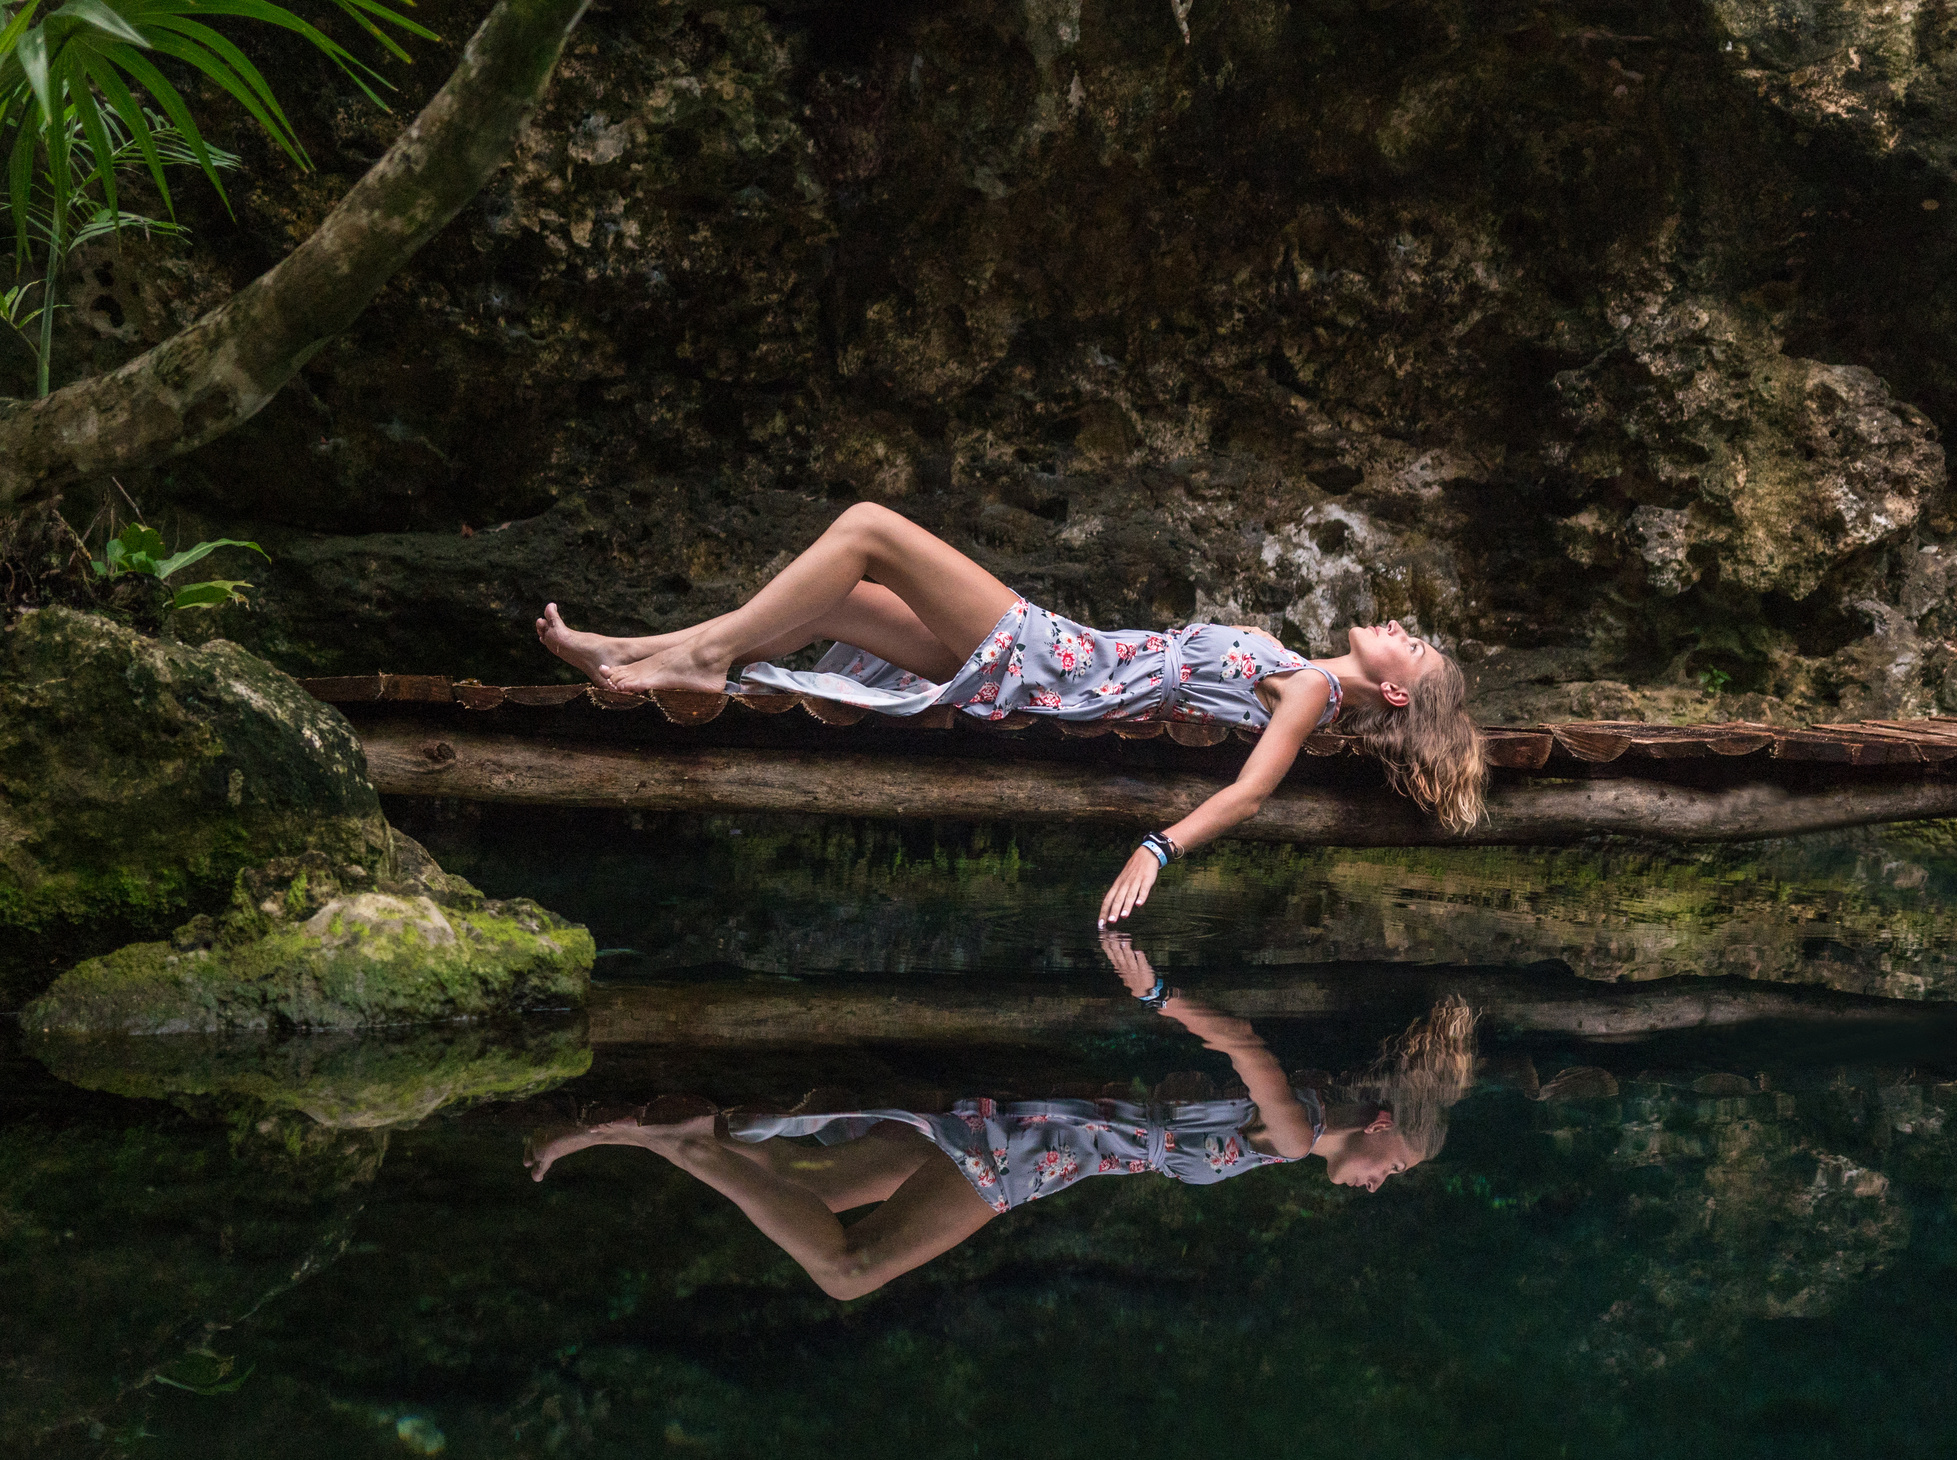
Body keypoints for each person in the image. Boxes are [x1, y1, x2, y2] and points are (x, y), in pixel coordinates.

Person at [534, 502, 1486, 925]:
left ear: (1396, 692)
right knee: (830, 601)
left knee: (868, 528)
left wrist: (1156, 849)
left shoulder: (1314, 693)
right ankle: (639, 653)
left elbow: (1249, 793)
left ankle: (694, 660)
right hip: (1058, 658)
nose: (1402, 624)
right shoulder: (1300, 672)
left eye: (1416, 642)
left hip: (1054, 663)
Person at [523, 937, 1478, 1301]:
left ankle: (628, 1130)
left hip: (1027, 1118)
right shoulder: (1306, 1128)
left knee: (813, 1186)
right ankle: (672, 1138)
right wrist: (1159, 997)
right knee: (848, 1271)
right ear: (1384, 1122)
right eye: (1396, 1167)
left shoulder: (1303, 1129)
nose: (1378, 1183)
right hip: (1024, 1152)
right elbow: (1244, 1044)